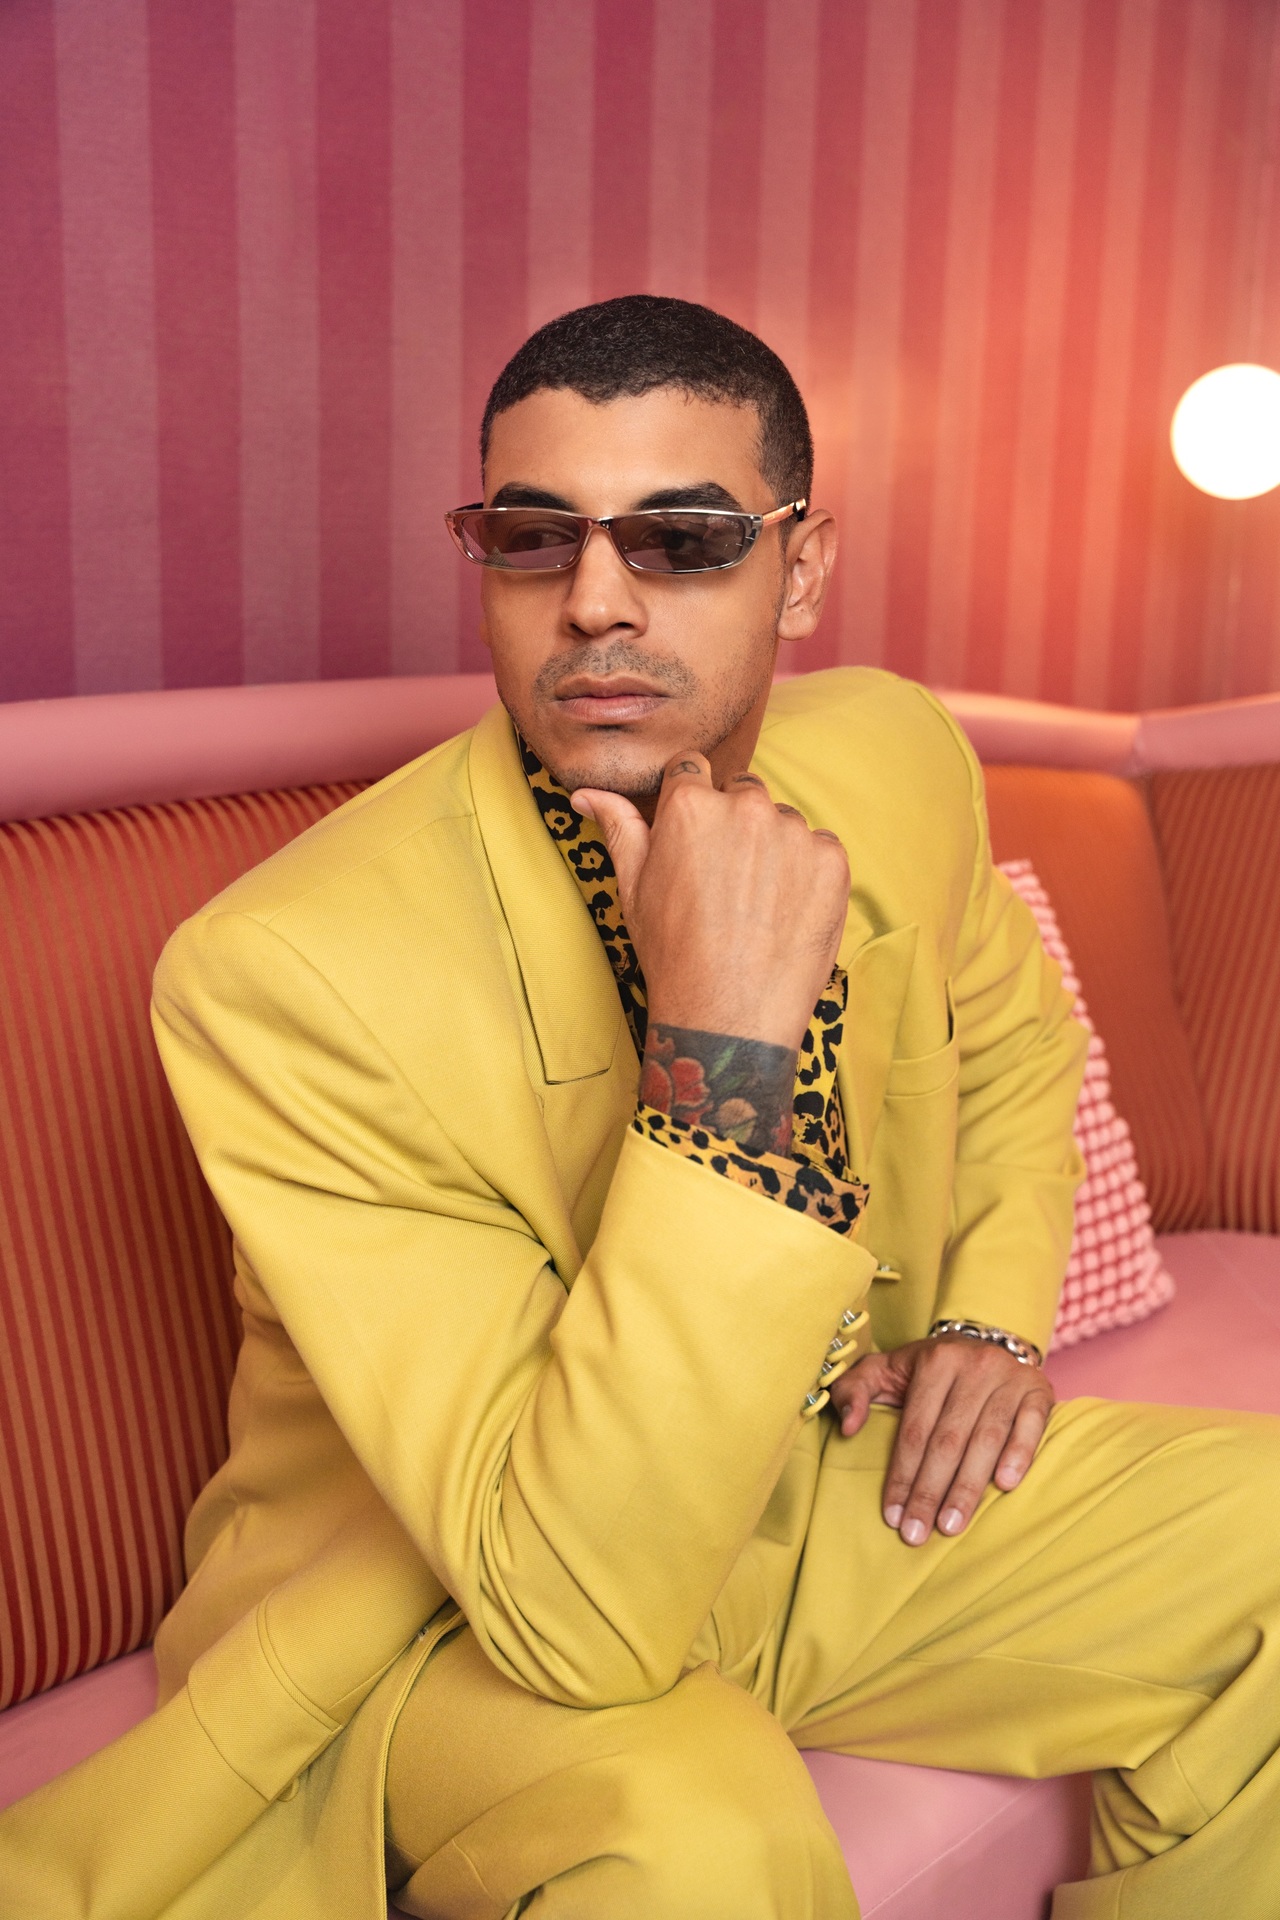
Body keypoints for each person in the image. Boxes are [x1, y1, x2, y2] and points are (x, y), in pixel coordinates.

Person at [3, 295, 1279, 1920]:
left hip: (814, 1493)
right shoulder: (288, 972)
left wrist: (989, 1318)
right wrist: (723, 1051)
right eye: (534, 539)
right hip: (450, 1602)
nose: (594, 601)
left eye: (682, 539)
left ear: (800, 567)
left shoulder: (896, 752)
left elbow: (1012, 1043)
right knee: (691, 1835)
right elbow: (572, 1613)